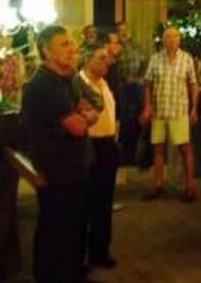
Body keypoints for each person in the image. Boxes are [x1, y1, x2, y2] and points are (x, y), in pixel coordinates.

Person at [23, 25, 95, 283]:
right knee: (56, 231)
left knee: (74, 230)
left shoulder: (65, 80)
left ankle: (71, 273)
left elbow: (91, 111)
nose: (73, 48)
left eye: (71, 42)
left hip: (74, 170)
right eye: (64, 44)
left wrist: (84, 115)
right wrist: (83, 117)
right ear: (46, 50)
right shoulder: (43, 85)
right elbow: (77, 126)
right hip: (57, 173)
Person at [140, 26, 199, 202]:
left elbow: (193, 84)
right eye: (168, 37)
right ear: (163, 40)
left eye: (175, 36)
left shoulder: (186, 59)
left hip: (178, 110)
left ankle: (190, 186)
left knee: (185, 148)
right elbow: (148, 85)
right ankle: (158, 186)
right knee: (158, 148)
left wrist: (194, 108)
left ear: (179, 39)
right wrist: (147, 107)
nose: (172, 39)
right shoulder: (155, 59)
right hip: (159, 110)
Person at [79, 42, 119, 269]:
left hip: (107, 146)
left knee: (104, 202)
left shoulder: (104, 83)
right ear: (87, 60)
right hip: (89, 146)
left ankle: (100, 250)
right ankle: (81, 254)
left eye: (108, 58)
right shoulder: (79, 85)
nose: (107, 62)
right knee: (85, 203)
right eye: (101, 58)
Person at [114, 21, 147, 164]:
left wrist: (140, 78)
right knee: (124, 121)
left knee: (136, 121)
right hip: (122, 88)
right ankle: (124, 156)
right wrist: (122, 79)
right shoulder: (115, 48)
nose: (123, 32)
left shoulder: (136, 45)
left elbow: (144, 63)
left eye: (125, 29)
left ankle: (135, 156)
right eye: (120, 30)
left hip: (137, 87)